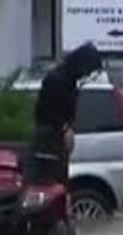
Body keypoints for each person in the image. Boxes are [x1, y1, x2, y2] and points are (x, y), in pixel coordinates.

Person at [32, 43, 103, 189]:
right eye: (88, 70)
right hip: (49, 140)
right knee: (52, 183)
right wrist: (64, 128)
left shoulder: (70, 81)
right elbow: (46, 111)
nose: (87, 75)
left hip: (58, 140)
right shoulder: (56, 80)